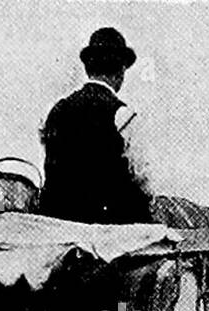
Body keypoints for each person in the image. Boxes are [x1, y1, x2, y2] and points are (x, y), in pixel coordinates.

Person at [38, 27, 153, 225]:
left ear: (88, 68)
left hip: (58, 222)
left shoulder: (54, 111)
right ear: (121, 71)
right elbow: (143, 179)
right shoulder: (123, 115)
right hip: (110, 224)